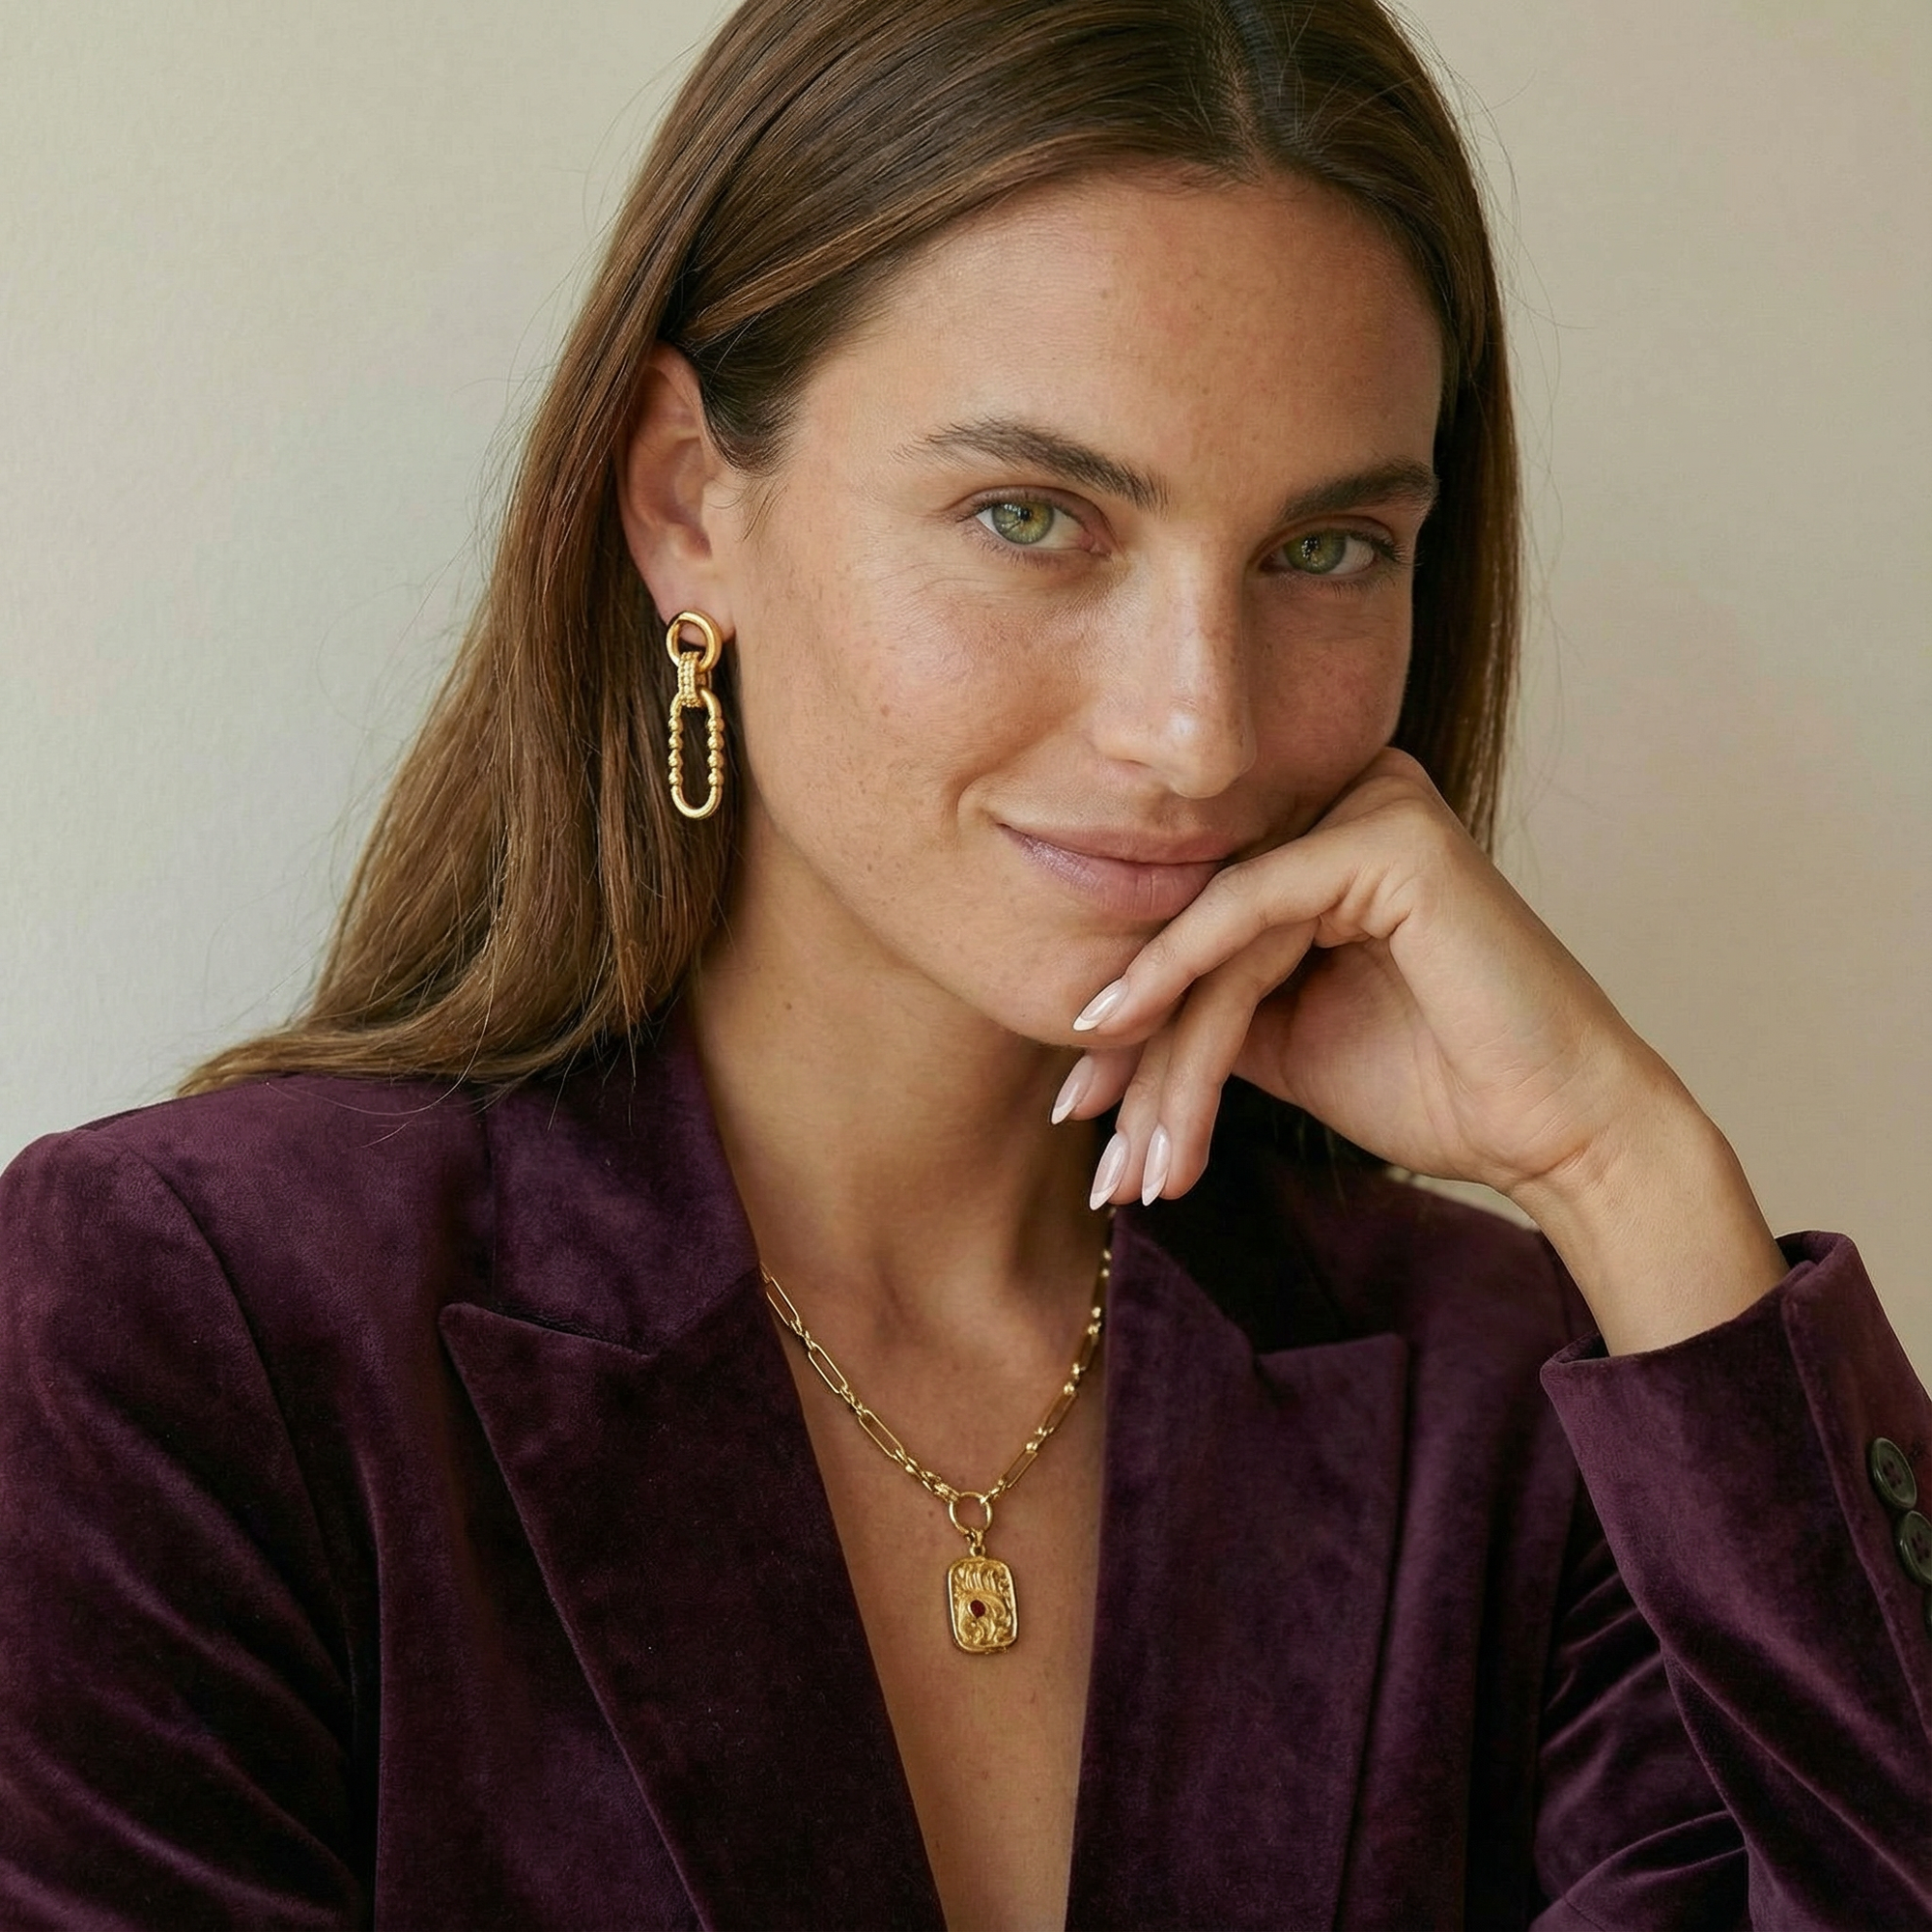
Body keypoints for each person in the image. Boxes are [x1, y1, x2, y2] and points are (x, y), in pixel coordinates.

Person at [2, 0, 1927, 1924]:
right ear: (687, 502)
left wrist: (1627, 1171)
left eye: (1325, 549)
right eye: (1035, 517)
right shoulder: (195, 1331)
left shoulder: (1501, 1405)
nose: (1198, 728)